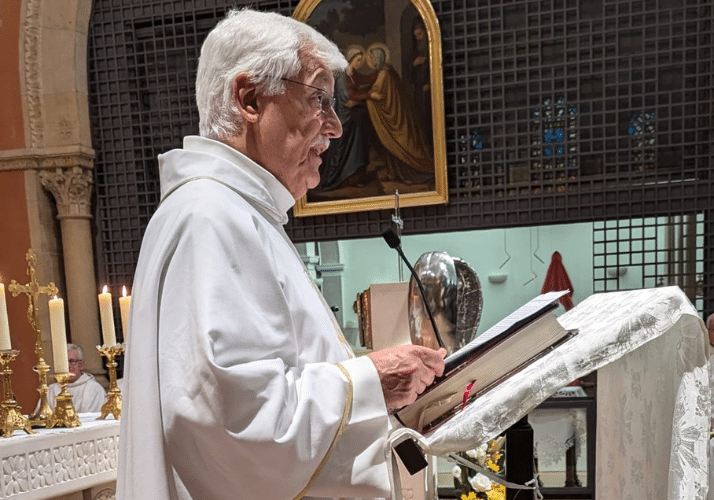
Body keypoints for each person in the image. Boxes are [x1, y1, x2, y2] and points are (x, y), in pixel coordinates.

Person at [117, 8, 446, 500]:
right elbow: (234, 423)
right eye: (319, 99)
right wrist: (371, 377)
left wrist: (376, 387)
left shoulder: (236, 213)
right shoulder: (210, 217)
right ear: (249, 98)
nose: (335, 127)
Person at [37, 343, 106, 413]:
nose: (68, 366)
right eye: (64, 362)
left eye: (72, 361)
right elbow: (42, 416)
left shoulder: (94, 388)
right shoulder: (52, 390)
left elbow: (94, 418)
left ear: (81, 365)